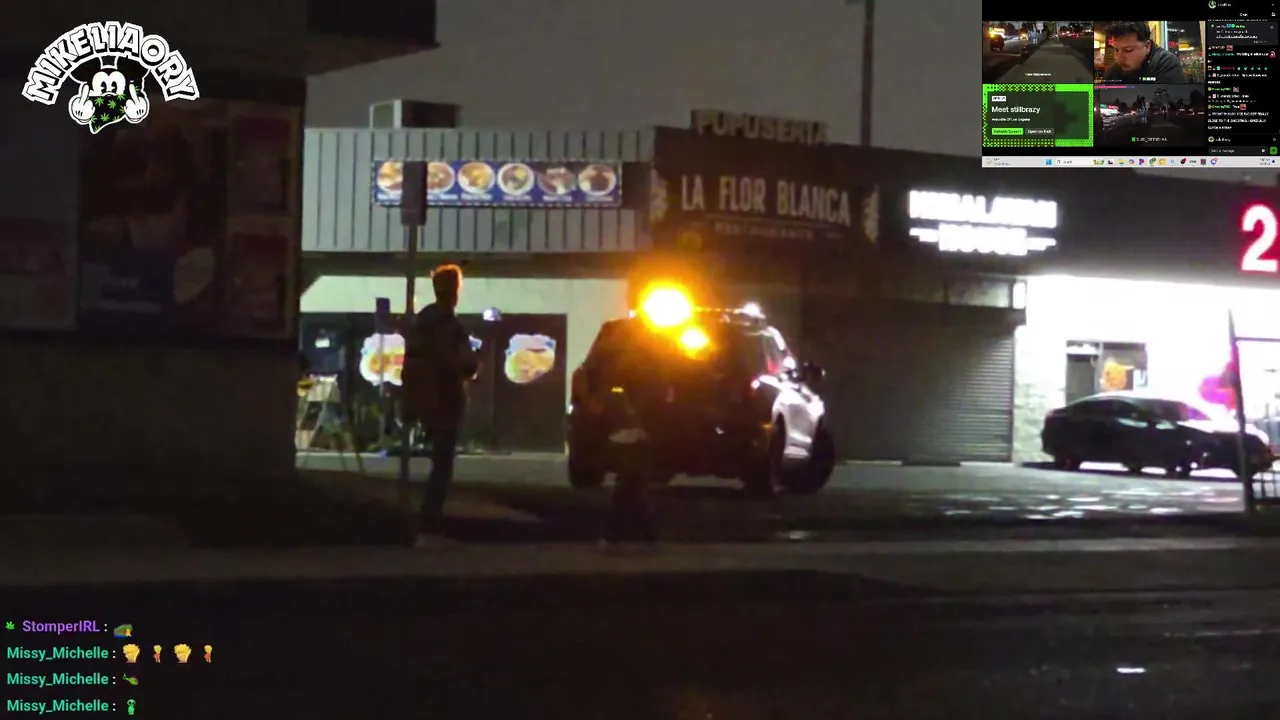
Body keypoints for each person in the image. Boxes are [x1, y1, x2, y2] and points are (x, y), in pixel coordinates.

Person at [401, 264, 479, 547]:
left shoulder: (421, 324)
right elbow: (460, 363)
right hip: (444, 397)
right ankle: (429, 521)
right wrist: (467, 363)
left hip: (423, 396)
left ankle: (421, 519)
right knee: (442, 463)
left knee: (437, 460)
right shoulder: (449, 326)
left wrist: (410, 397)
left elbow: (410, 363)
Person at [1101, 22, 1187, 84]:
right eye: (1116, 50)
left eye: (1128, 50)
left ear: (1147, 46)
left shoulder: (1167, 63)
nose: (1119, 58)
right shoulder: (1116, 68)